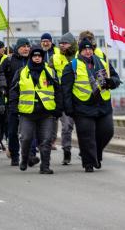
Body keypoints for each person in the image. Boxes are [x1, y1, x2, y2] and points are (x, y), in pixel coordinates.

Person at [62, 38, 120, 172]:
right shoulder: (72, 66)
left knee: (107, 132)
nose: (88, 52)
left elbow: (116, 79)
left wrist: (112, 82)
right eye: (85, 49)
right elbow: (65, 89)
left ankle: (97, 154)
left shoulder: (103, 62)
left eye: (90, 49)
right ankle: (88, 163)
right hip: (83, 107)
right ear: (80, 51)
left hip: (103, 105)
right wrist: (68, 108)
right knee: (86, 136)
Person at [9, 46, 61, 174]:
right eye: (34, 56)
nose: (37, 58)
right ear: (31, 57)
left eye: (39, 56)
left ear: (42, 58)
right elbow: (14, 91)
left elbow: (58, 91)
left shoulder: (51, 72)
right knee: (26, 138)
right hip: (27, 113)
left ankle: (45, 166)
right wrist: (14, 108)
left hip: (46, 113)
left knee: (46, 140)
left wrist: (59, 108)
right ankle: (25, 158)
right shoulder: (21, 72)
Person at [1, 37, 31, 166]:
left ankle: (29, 154)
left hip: (30, 102)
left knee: (28, 131)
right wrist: (3, 89)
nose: (26, 49)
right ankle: (14, 155)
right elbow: (0, 75)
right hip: (13, 101)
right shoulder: (8, 61)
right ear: (17, 48)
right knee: (12, 130)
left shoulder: (33, 60)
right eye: (23, 46)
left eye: (27, 46)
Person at [49, 32, 77, 165]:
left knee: (85, 128)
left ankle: (88, 151)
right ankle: (67, 151)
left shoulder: (80, 56)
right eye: (60, 44)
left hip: (80, 97)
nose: (62, 46)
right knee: (66, 126)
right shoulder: (54, 58)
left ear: (72, 44)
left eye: (64, 43)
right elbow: (48, 75)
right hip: (63, 97)